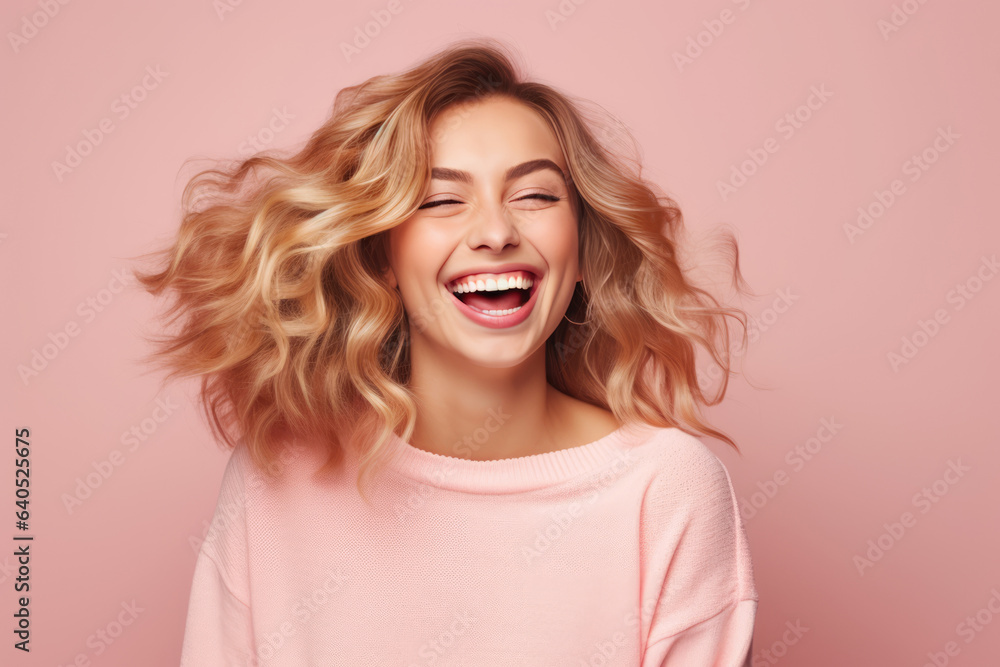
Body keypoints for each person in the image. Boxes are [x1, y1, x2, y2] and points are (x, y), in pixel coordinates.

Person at [135, 36, 759, 666]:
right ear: (381, 257)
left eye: (535, 195)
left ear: (584, 252)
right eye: (440, 200)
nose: (495, 233)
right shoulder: (279, 478)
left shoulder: (667, 491)